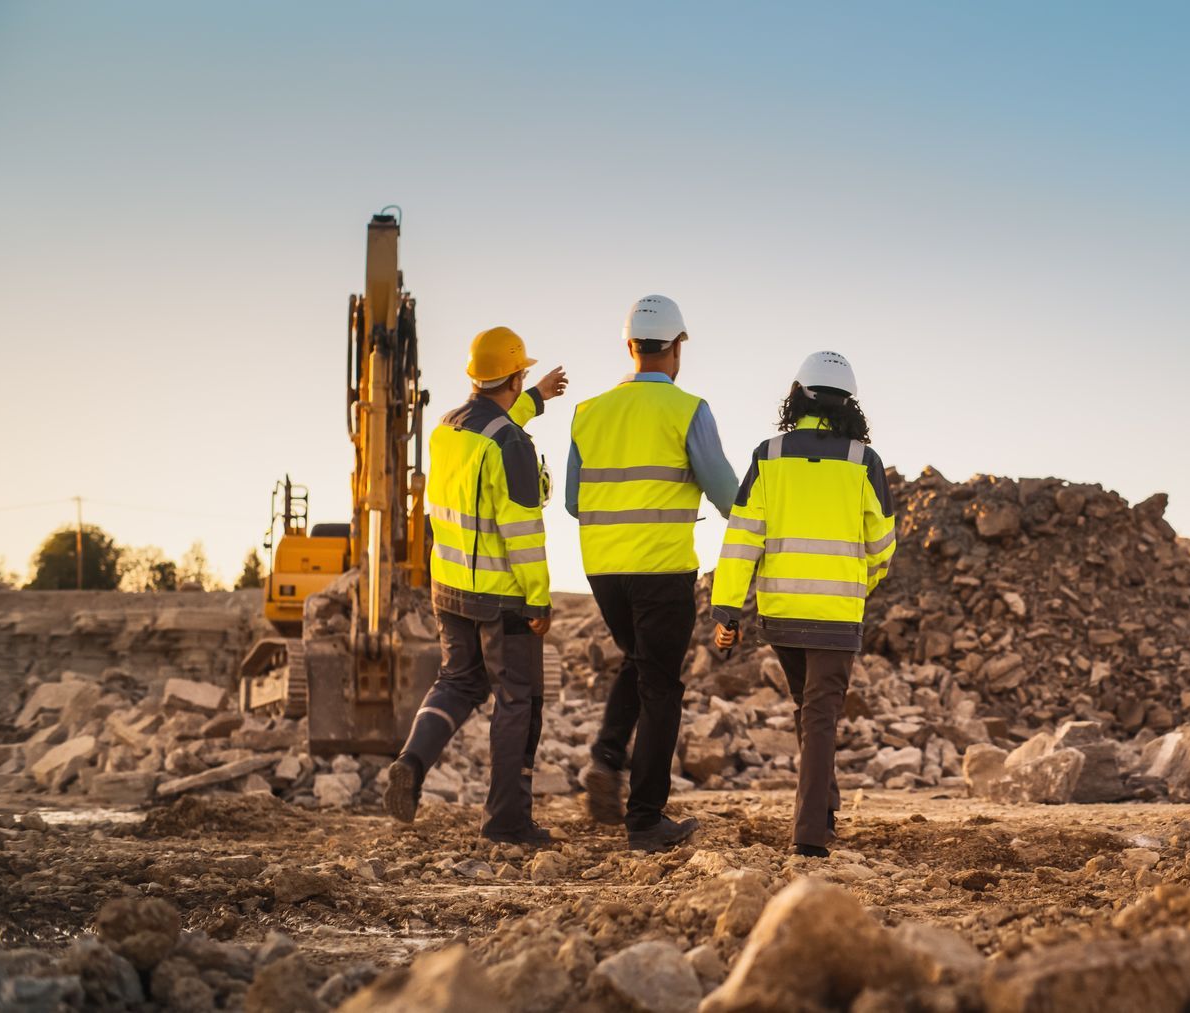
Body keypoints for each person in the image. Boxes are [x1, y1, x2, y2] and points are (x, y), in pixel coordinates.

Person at [710, 351, 896, 858]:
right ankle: (810, 835)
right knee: (818, 717)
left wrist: (726, 608)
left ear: (798, 396)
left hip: (783, 614)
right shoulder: (864, 461)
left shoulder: (768, 455)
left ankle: (824, 808)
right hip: (838, 614)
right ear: (849, 405)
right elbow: (882, 546)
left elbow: (742, 536)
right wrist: (861, 583)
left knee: (808, 711)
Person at [384, 326, 565, 845]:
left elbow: (494, 421)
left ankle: (412, 764)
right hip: (502, 595)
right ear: (512, 376)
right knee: (517, 699)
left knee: (457, 683)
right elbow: (523, 533)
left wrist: (536, 398)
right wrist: (538, 599)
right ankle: (506, 821)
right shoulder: (510, 443)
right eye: (523, 376)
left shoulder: (448, 428)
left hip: (450, 587)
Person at [570, 295, 737, 852]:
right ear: (678, 348)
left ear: (629, 346)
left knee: (641, 663)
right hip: (662, 568)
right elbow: (725, 495)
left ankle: (606, 757)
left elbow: (573, 500)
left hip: (602, 570)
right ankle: (644, 818)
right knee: (662, 686)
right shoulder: (688, 410)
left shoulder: (588, 412)